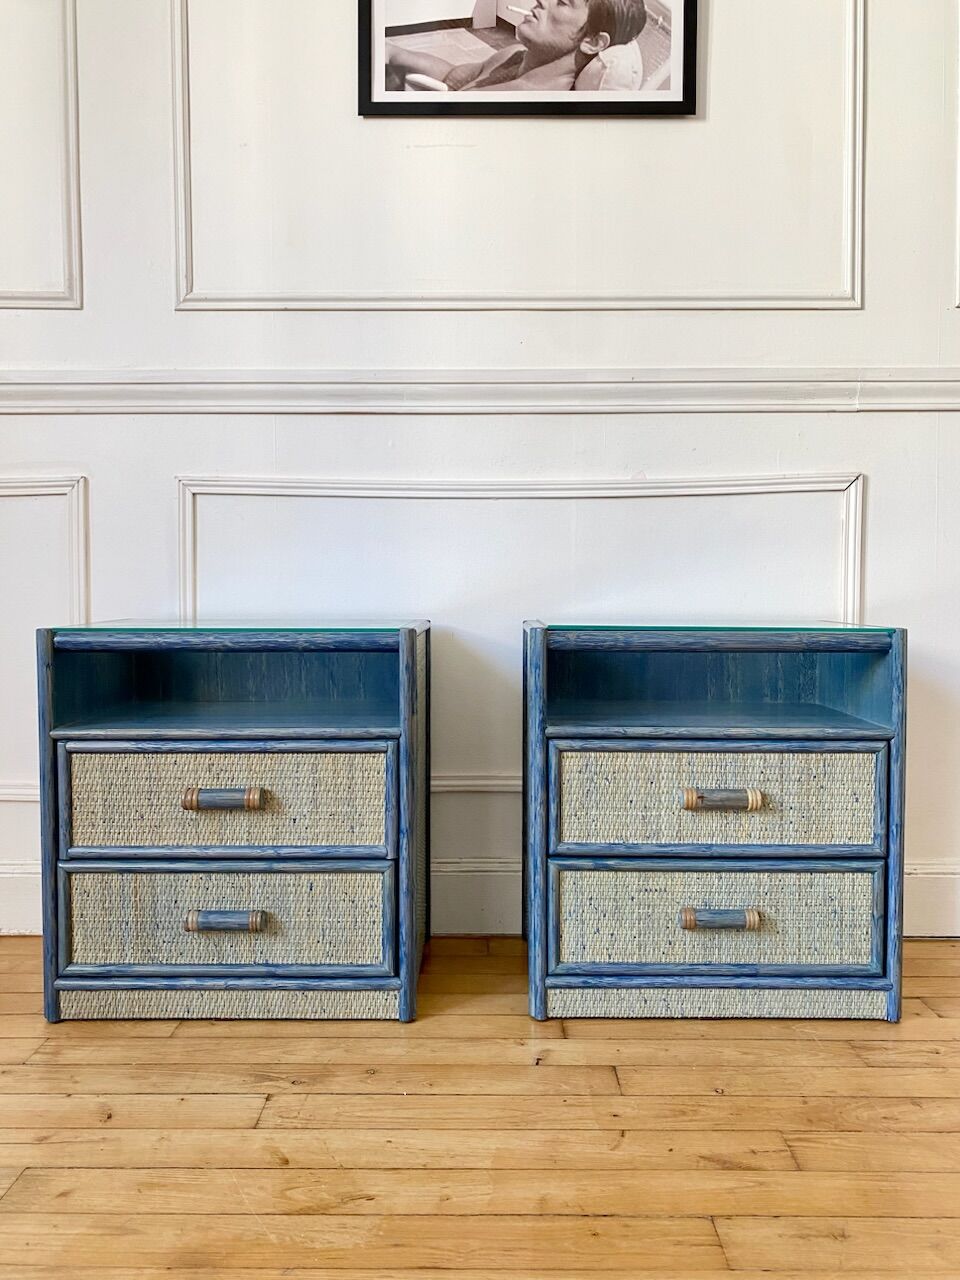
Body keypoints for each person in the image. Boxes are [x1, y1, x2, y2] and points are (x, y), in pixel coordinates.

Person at [385, 0, 648, 93]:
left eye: (563, 2)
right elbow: (452, 78)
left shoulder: (531, 104)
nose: (541, 0)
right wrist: (393, 53)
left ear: (592, 42)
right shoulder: (514, 57)